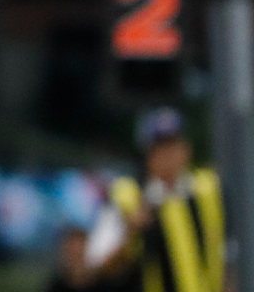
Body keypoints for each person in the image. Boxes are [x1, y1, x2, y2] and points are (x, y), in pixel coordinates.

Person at [86, 108, 226, 292]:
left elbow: (225, 253)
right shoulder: (129, 197)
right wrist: (130, 234)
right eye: (160, 148)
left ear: (187, 149)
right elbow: (97, 266)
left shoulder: (206, 192)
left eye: (173, 145)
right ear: (147, 155)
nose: (168, 156)